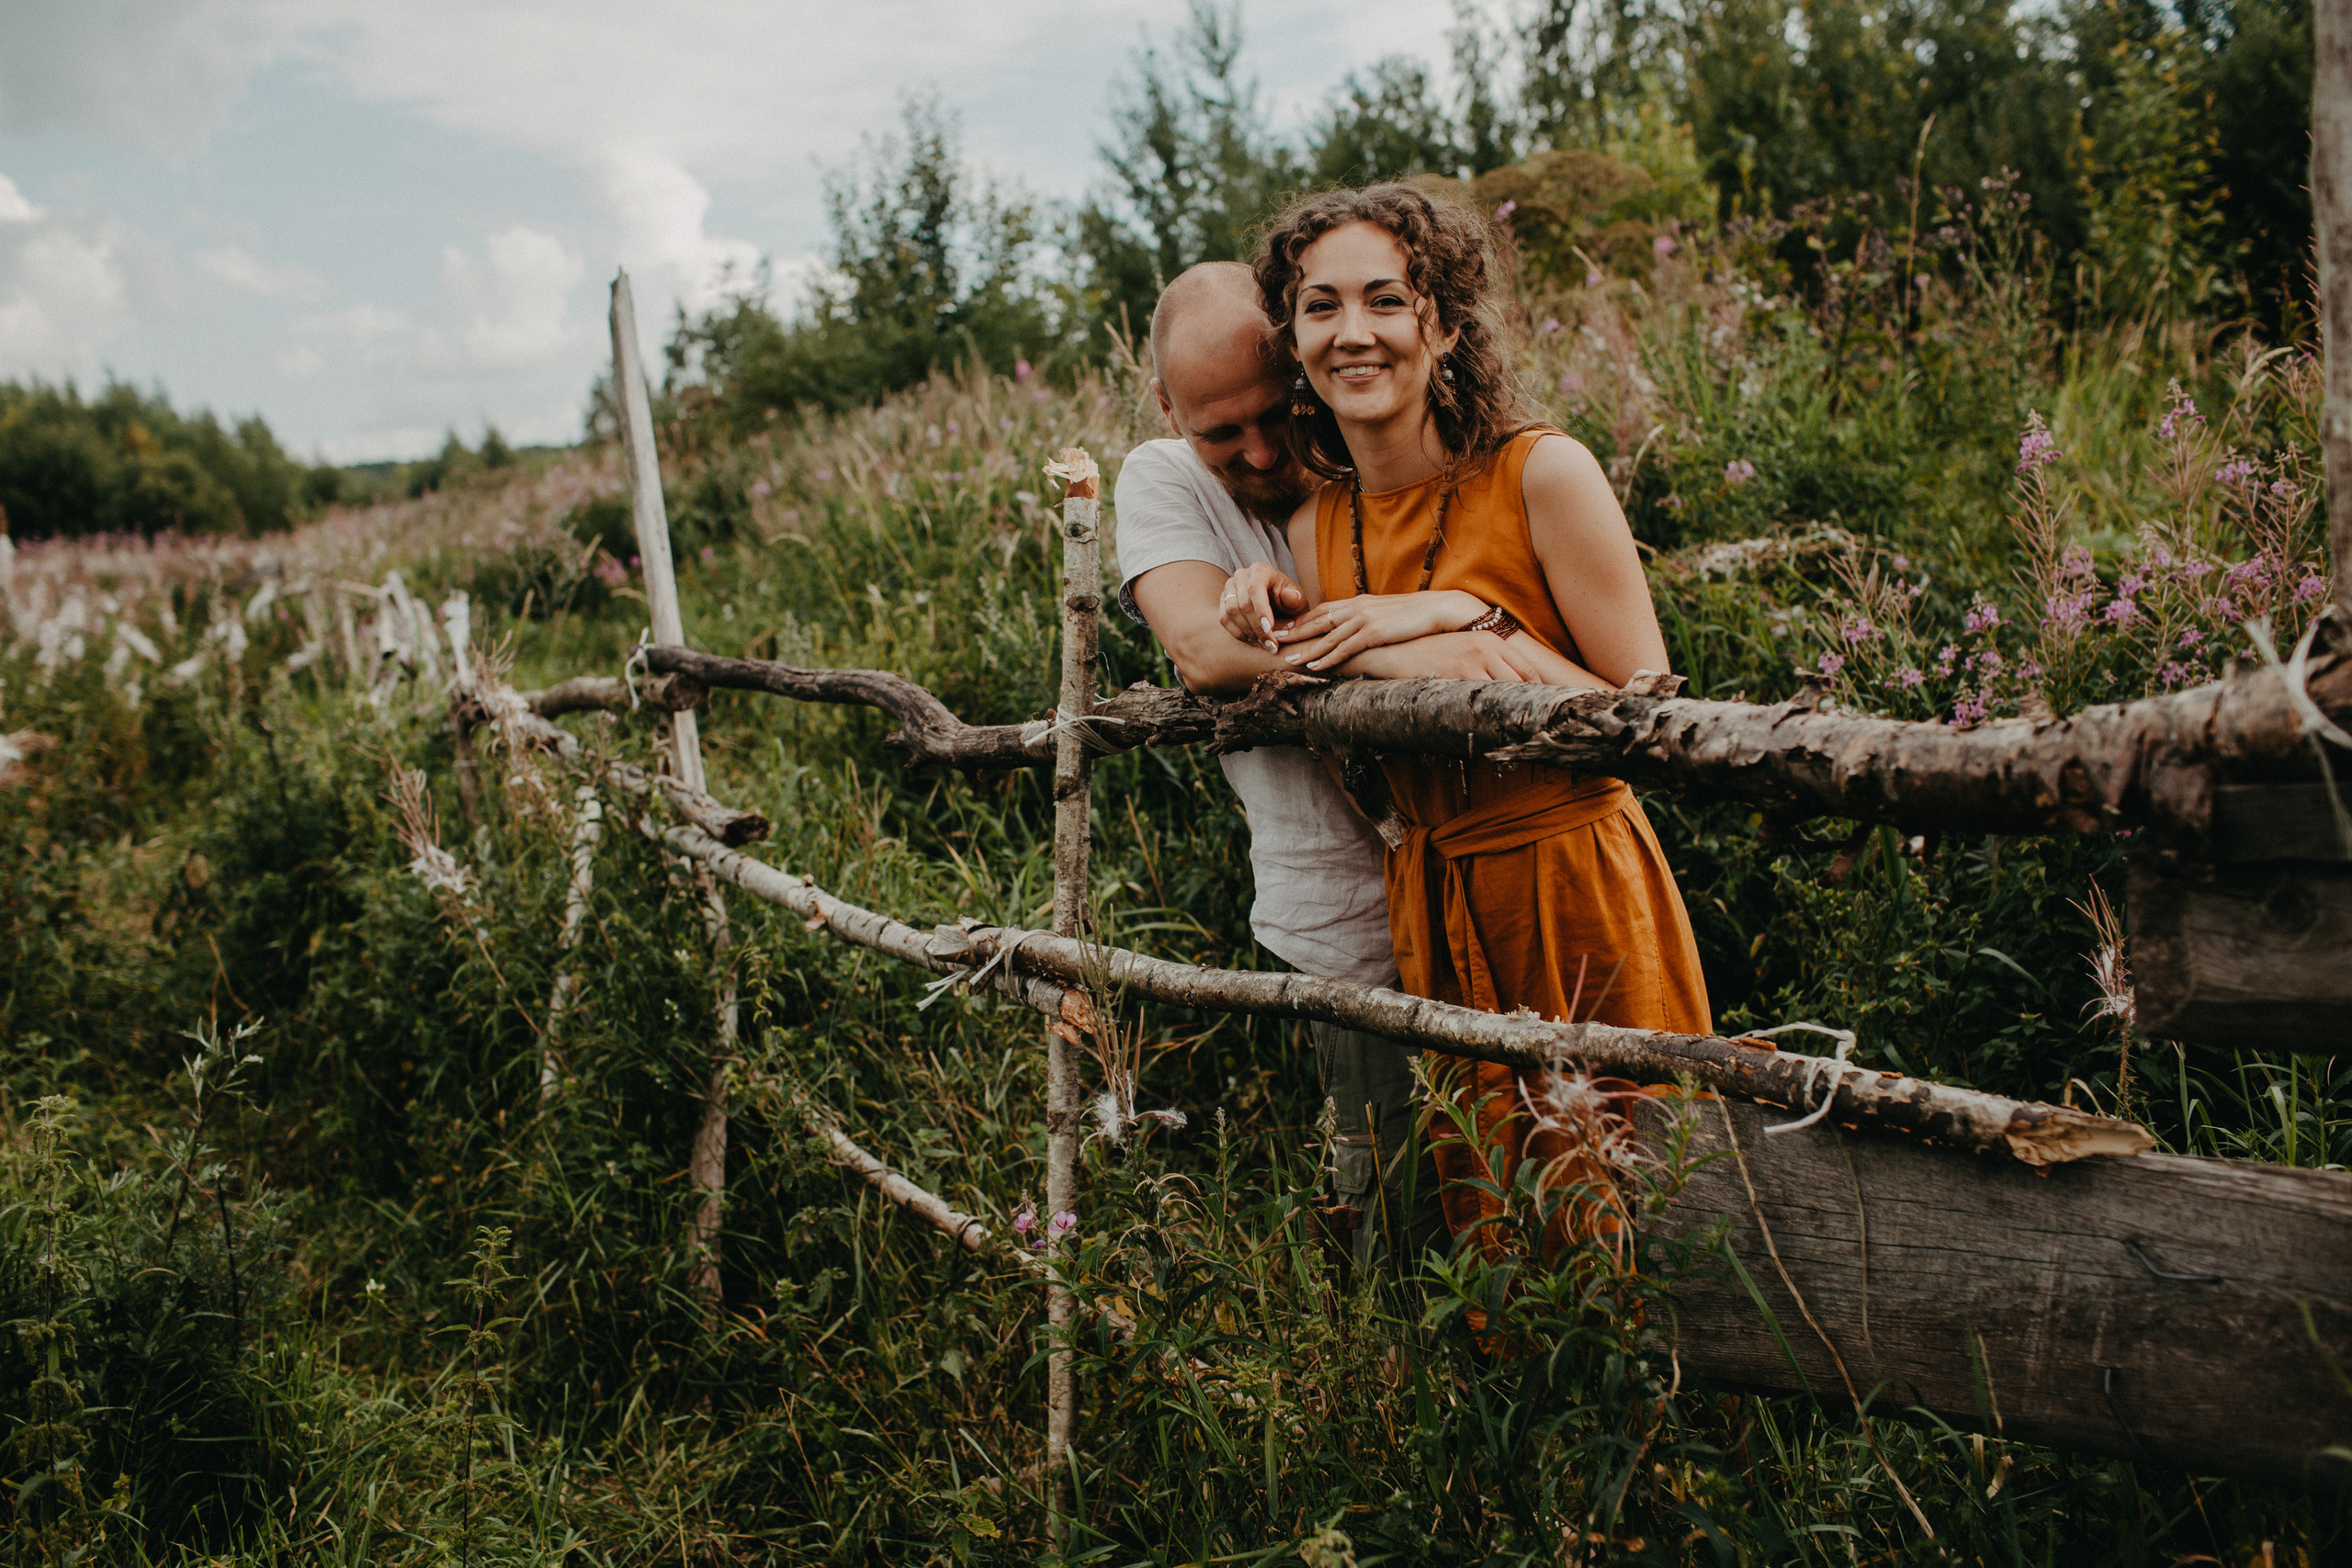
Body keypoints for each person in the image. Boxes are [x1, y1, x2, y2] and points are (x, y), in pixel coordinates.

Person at [1214, 186, 1713, 1262]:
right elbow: (1317, 681)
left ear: (1440, 325)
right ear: (1292, 341)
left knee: (1642, 1209)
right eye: (1319, 306)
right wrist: (1374, 632)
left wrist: (1469, 615)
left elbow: (1645, 715)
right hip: (1432, 907)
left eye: (1386, 300)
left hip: (1575, 885)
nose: (1354, 332)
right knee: (1504, 1235)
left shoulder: (1542, 473)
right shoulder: (1310, 527)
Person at [1114, 261, 1464, 1270]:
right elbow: (1204, 650)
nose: (1260, 451)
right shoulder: (1162, 476)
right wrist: (1403, 643)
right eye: (1221, 431)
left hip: (1485, 880)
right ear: (1165, 406)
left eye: (1275, 413)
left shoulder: (1373, 435)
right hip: (1346, 915)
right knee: (1401, 1218)